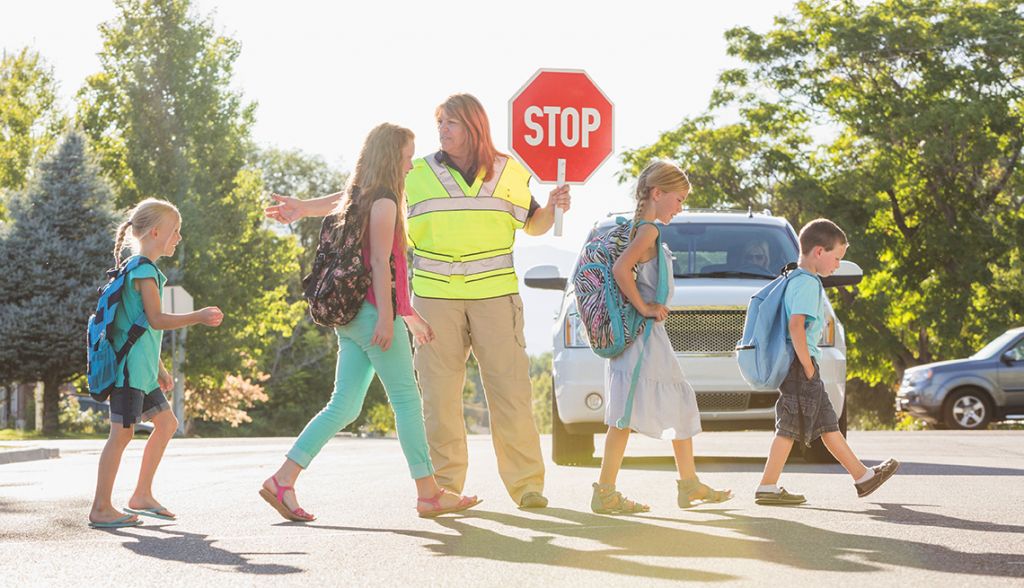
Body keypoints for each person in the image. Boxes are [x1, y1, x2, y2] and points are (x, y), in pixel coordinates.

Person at [267, 94, 570, 509]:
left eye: (451, 123)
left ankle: (526, 485)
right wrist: (303, 208)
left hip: (494, 298)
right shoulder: (417, 171)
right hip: (432, 300)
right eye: (440, 122)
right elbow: (359, 195)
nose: (442, 130)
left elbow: (533, 224)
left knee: (511, 394)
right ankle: (442, 487)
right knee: (436, 399)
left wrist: (552, 209)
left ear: (475, 126)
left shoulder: (510, 171)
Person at [260, 123, 481, 521]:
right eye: (407, 156)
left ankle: (283, 479)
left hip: (351, 317)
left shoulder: (359, 196)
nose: (412, 164)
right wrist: (387, 318)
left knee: (344, 405)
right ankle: (429, 493)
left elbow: (337, 203)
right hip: (372, 314)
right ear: (391, 157)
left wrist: (407, 316)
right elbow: (381, 262)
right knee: (408, 402)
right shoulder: (383, 202)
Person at [591, 161, 732, 514]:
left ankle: (688, 484)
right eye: (679, 199)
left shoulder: (643, 229)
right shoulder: (648, 232)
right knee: (625, 416)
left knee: (665, 406)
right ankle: (607, 491)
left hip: (648, 338)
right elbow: (621, 269)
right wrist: (646, 306)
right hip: (643, 338)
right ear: (658, 194)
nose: (680, 208)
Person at [89, 198, 224, 528]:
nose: (178, 237)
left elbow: (136, 327)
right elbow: (157, 319)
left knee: (166, 424)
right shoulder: (143, 270)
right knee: (120, 436)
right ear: (155, 232)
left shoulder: (135, 268)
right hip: (129, 373)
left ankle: (142, 495)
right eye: (175, 231)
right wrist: (199, 316)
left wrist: (160, 369)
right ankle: (101, 507)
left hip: (144, 372)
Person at [755, 219, 899, 505]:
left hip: (801, 364)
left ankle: (863, 477)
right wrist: (808, 367)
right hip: (802, 365)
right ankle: (767, 486)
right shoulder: (808, 283)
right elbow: (796, 326)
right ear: (819, 252)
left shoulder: (795, 278)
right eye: (836, 258)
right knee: (789, 427)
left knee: (827, 424)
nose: (837, 266)